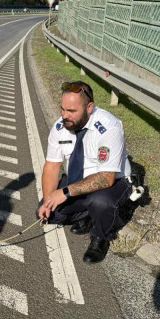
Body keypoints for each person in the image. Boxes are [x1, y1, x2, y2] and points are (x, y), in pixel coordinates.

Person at [37, 81, 132, 264]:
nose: (65, 116)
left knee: (100, 201)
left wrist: (64, 193)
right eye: (62, 109)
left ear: (89, 107)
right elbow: (52, 166)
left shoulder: (109, 127)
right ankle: (90, 215)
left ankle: (100, 236)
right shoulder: (60, 127)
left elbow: (106, 178)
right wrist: (49, 199)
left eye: (71, 111)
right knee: (48, 214)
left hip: (112, 182)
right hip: (77, 182)